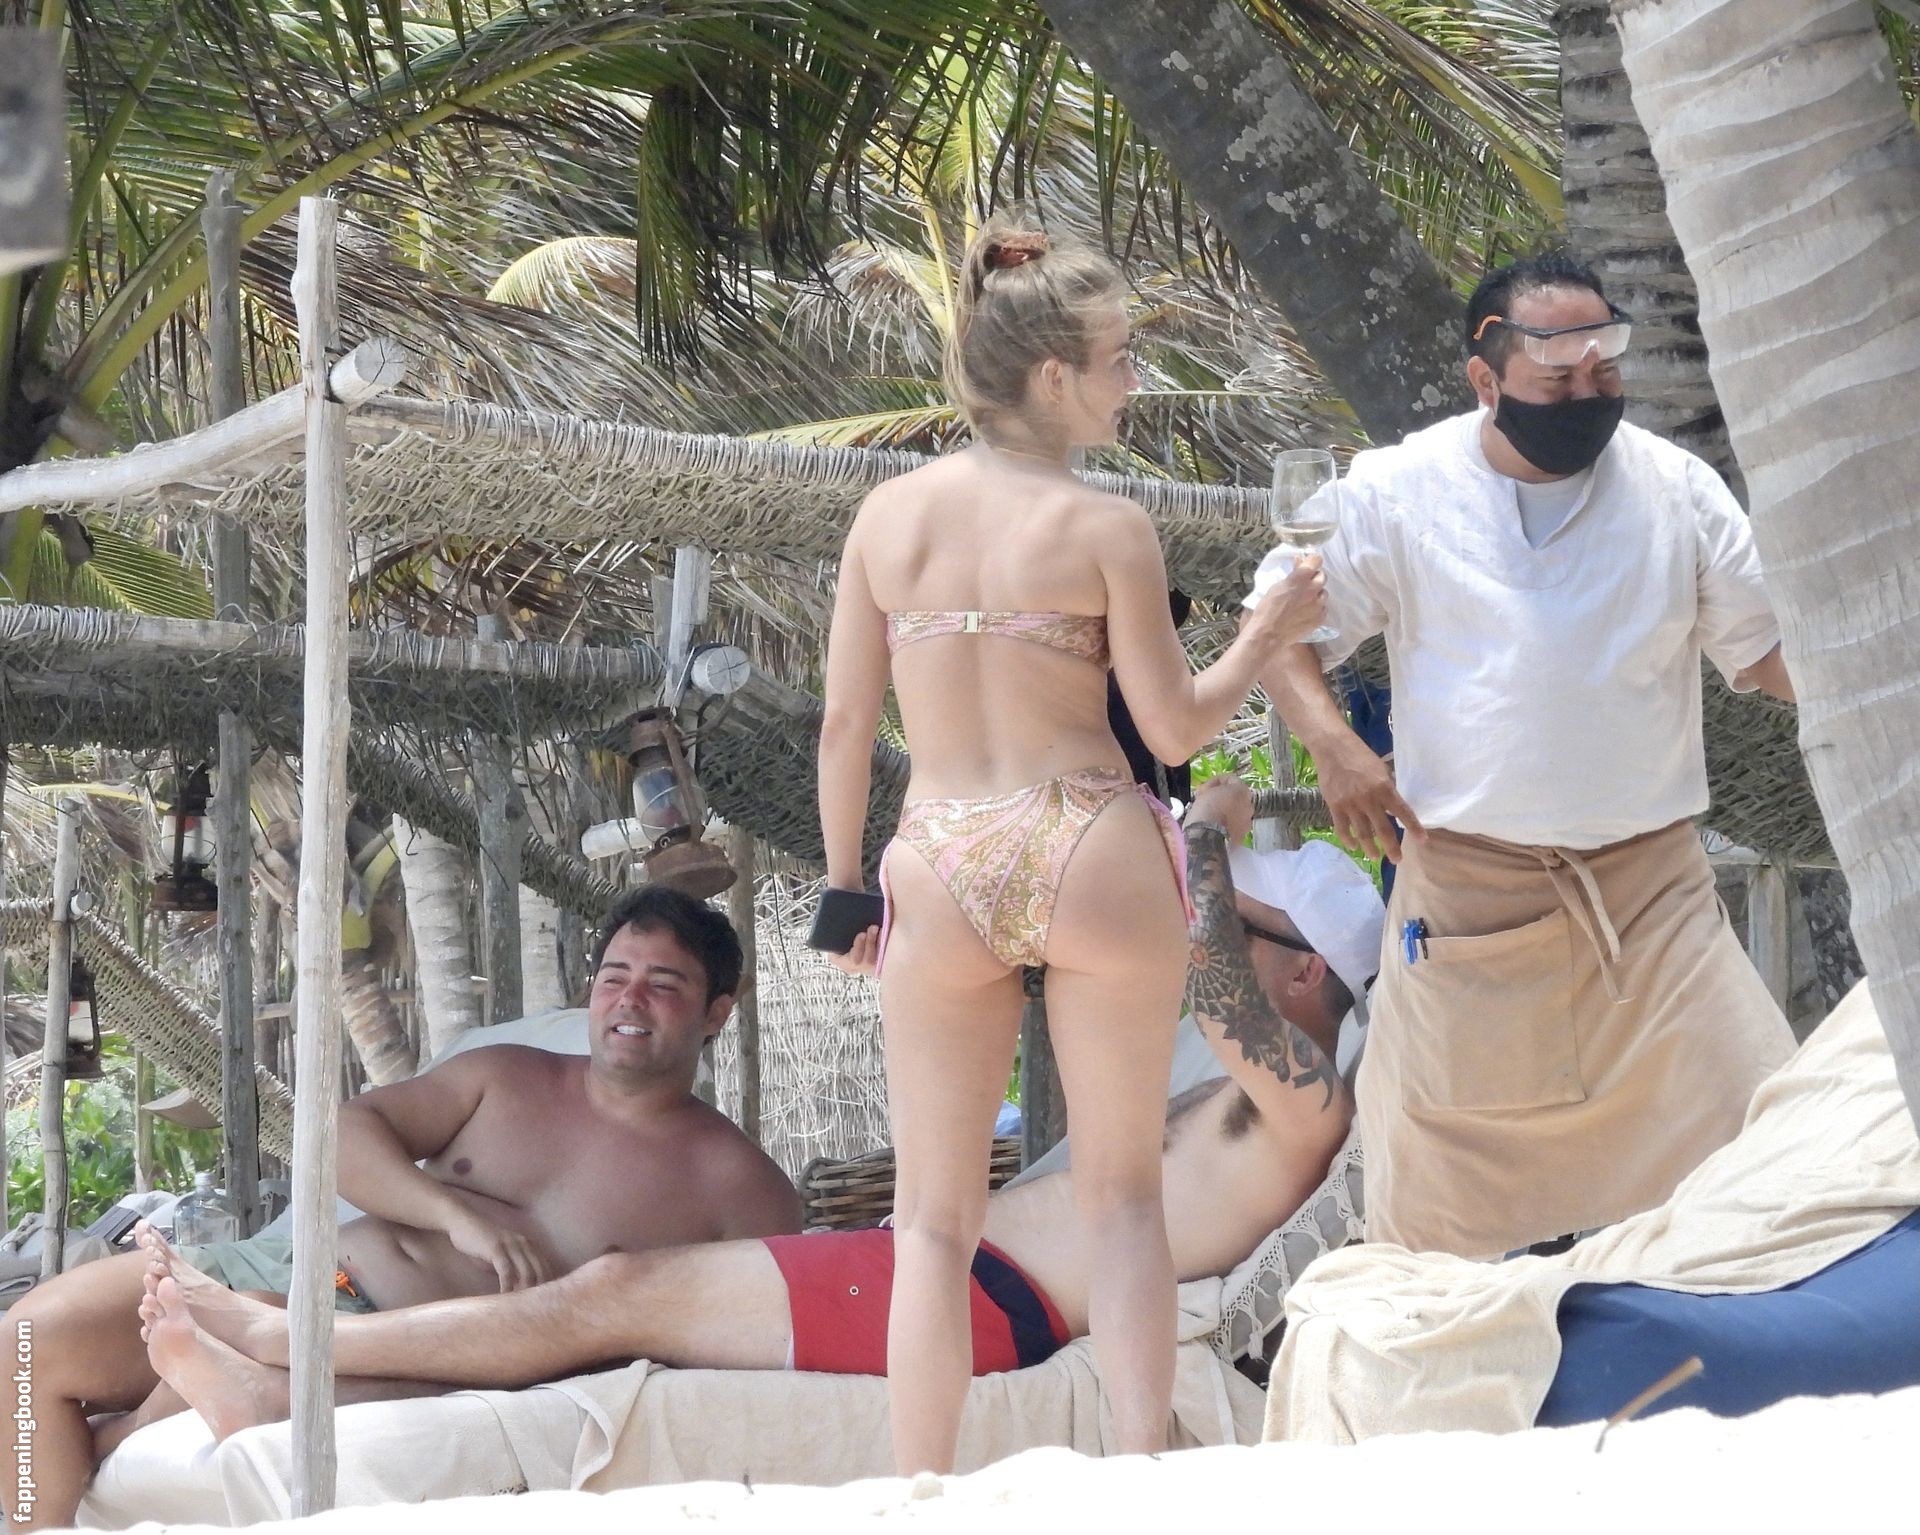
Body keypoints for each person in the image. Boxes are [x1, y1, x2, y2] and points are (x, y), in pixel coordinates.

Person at [125, 792, 1369, 1450]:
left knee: (608, 1296)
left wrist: (1204, 837)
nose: (1195, 932)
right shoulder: (1227, 1093)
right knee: (604, 1307)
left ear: (1307, 966)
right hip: (940, 1273)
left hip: (984, 1298)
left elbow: (1217, 987)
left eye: (1239, 924)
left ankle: (289, 1351)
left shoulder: (1302, 1100)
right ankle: (287, 1386)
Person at [815, 209, 1326, 1472]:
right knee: (1123, 1195)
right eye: (1119, 359)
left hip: (940, 848)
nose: (1133, 381)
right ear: (1053, 376)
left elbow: (843, 725)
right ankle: (1136, 1472)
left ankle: (921, 1487)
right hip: (1087, 836)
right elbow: (1176, 724)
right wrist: (1264, 636)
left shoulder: (885, 517)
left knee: (931, 1223)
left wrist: (843, 889)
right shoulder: (1107, 527)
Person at [1254, 249, 1798, 1261]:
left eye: (1605, 372)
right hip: (1470, 906)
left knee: (1768, 1153)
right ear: (1486, 377)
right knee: (1432, 1217)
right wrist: (1334, 747)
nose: (1589, 395)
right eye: (1559, 378)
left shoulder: (1674, 486)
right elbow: (1274, 626)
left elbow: (1767, 650)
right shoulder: (1400, 487)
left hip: (1655, 906)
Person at [4, 886, 799, 1530]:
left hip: (413, 1354)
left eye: (664, 984)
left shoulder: (742, 1189)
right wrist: (453, 1214)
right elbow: (342, 1136)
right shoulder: (505, 1074)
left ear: (716, 1012)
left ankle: (183, 1397)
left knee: (250, 1345)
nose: (630, 998)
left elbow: (726, 1340)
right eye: (615, 975)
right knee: (27, 1341)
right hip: (298, 1266)